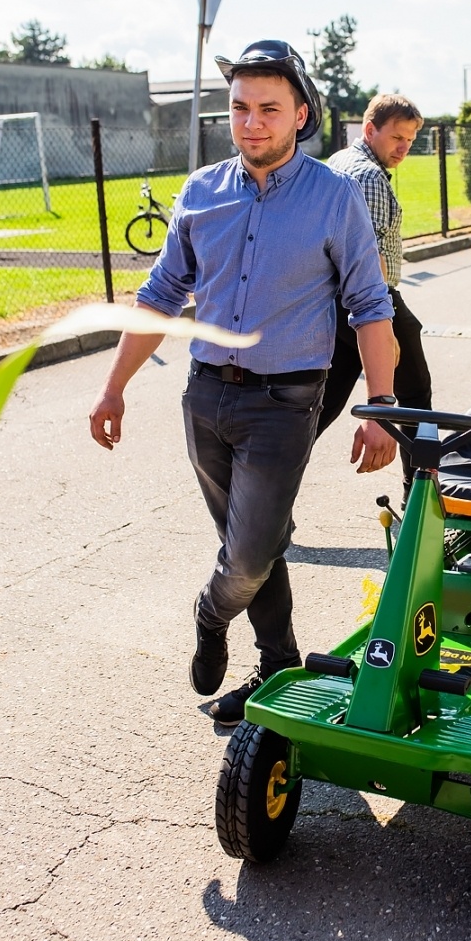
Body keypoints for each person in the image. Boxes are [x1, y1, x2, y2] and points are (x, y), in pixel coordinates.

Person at [89, 40, 397, 726]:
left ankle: (210, 612)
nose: (251, 122)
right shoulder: (202, 192)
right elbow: (160, 295)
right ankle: (278, 663)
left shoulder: (334, 197)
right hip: (204, 398)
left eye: (269, 109)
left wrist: (381, 406)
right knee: (256, 542)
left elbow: (370, 306)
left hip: (285, 402)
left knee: (248, 553)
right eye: (240, 108)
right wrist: (114, 388)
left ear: (301, 115)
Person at [314, 94, 433, 505]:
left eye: (410, 140)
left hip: (333, 301)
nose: (404, 148)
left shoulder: (339, 161)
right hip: (373, 301)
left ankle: (266, 486)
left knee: (321, 405)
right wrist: (385, 327)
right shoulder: (369, 177)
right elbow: (371, 259)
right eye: (397, 137)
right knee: (415, 399)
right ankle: (419, 503)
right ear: (370, 130)